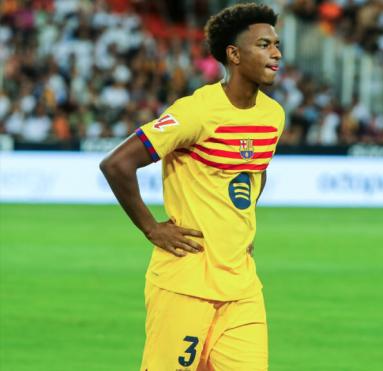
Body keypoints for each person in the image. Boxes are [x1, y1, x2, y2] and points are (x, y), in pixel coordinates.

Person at [99, 3, 284, 370]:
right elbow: (117, 164)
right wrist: (152, 227)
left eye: (277, 44)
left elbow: (253, 175)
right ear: (233, 54)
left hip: (242, 286)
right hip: (185, 284)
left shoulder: (272, 115)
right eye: (264, 44)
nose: (276, 53)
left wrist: (239, 228)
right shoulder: (195, 112)